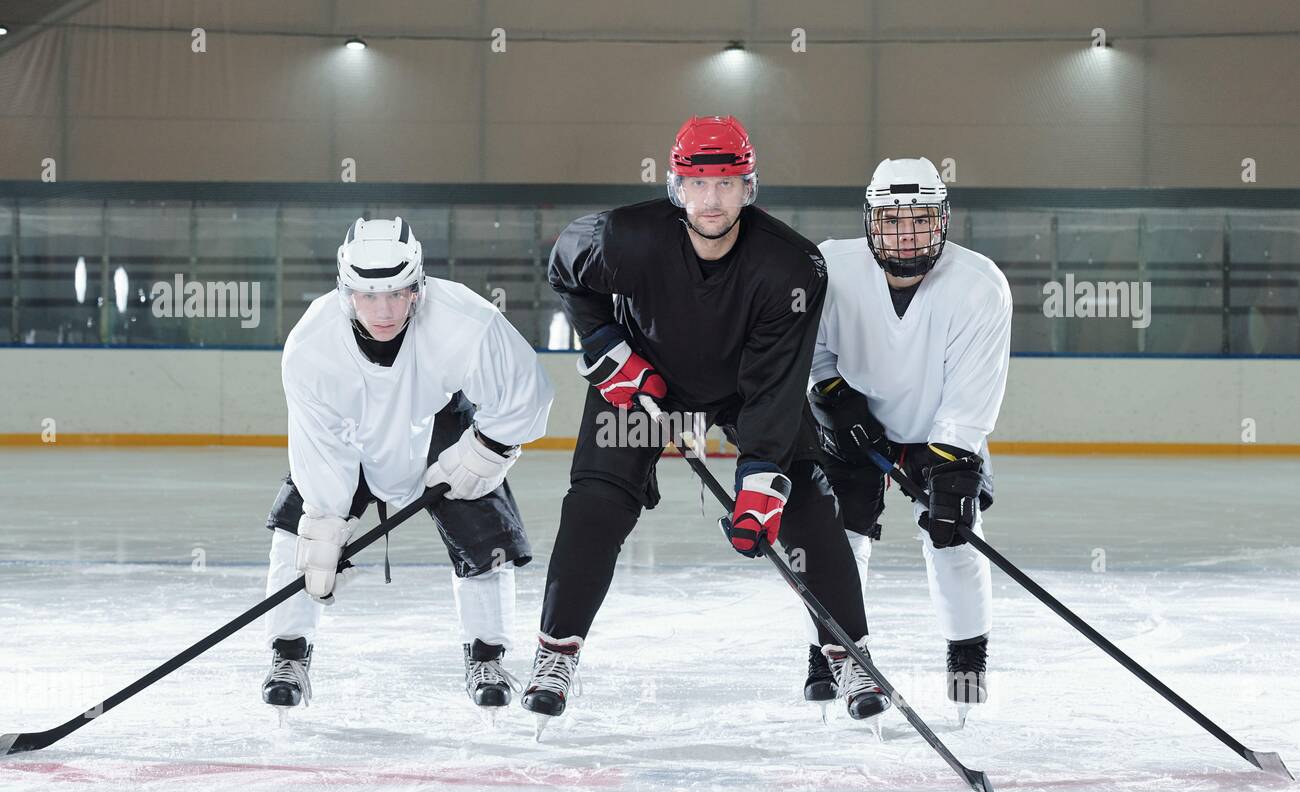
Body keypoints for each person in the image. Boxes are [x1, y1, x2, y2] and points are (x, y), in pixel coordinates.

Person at [527, 115, 888, 732]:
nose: (712, 198)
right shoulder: (625, 238)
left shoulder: (793, 267)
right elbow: (564, 263)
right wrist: (607, 345)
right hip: (643, 385)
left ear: (750, 187)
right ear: (677, 187)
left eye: (727, 182)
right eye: (698, 182)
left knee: (806, 504)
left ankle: (847, 652)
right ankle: (555, 652)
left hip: (745, 394)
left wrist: (762, 481)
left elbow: (775, 385)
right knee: (595, 502)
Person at [259, 217, 553, 713]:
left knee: (485, 530)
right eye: (368, 295)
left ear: (418, 287)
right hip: (348, 439)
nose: (385, 309)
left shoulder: (463, 318)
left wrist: (485, 450)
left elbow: (526, 392)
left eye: (398, 293)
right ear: (345, 291)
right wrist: (327, 520)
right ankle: (288, 654)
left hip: (438, 422)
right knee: (301, 530)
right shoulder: (311, 344)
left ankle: (487, 656)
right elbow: (318, 443)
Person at [807, 157, 1012, 723]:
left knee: (956, 540)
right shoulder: (830, 267)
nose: (906, 234)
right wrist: (829, 394)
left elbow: (974, 390)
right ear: (871, 222)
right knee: (838, 543)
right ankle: (829, 655)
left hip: (942, 432)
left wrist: (948, 464)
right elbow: (809, 347)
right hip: (854, 431)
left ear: (942, 221)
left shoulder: (979, 285)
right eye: (893, 220)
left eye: (920, 220)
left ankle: (967, 663)